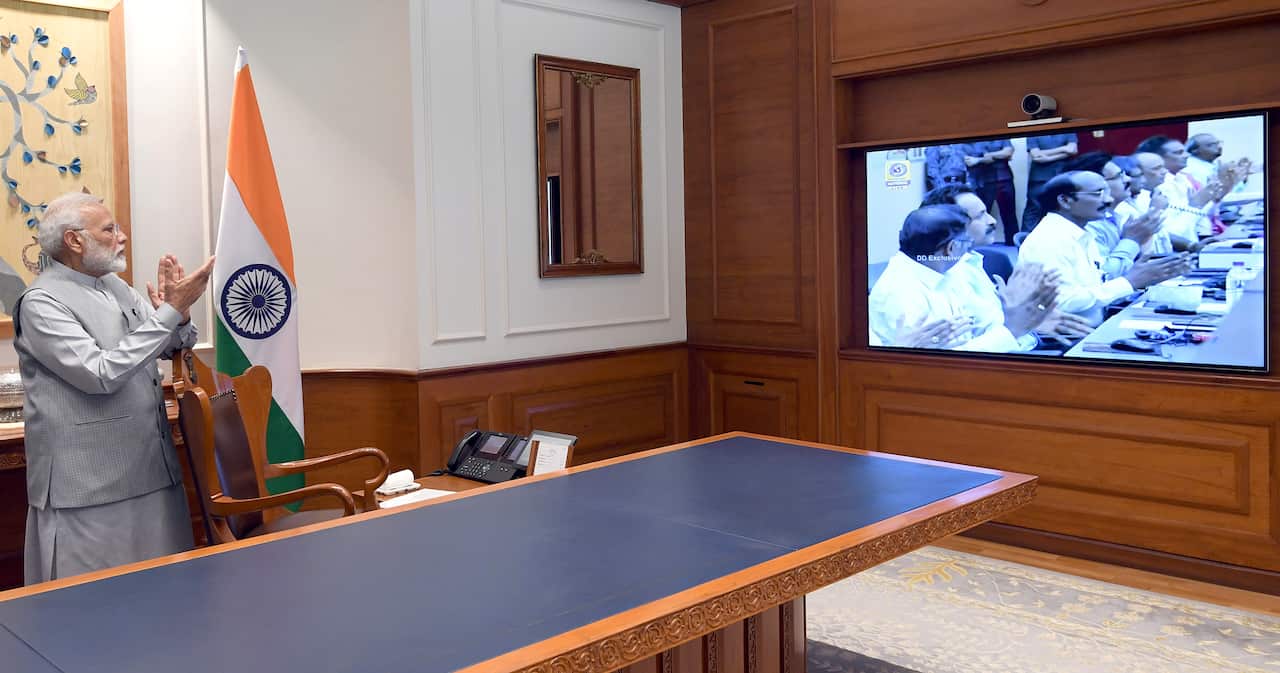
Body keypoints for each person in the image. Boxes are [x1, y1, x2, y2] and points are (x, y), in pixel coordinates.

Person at [13, 192, 215, 584]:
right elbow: (100, 374)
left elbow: (166, 344)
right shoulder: (40, 303)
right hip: (88, 487)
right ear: (74, 241)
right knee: (97, 613)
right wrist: (168, 313)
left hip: (150, 470)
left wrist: (180, 314)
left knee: (166, 598)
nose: (121, 237)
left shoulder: (114, 285)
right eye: (109, 229)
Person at [868, 204, 1057, 352]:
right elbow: (941, 365)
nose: (969, 248)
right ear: (951, 248)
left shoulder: (945, 270)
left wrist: (1015, 318)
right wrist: (1011, 330)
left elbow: (975, 331)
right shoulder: (904, 294)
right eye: (967, 241)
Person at [1017, 171, 1192, 325]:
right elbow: (1064, 302)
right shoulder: (1050, 239)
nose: (1108, 200)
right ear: (1065, 200)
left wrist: (1144, 274)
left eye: (1107, 191)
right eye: (1098, 193)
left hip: (1097, 323)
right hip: (1070, 338)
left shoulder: (1081, 233)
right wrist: (1129, 282)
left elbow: (1097, 284)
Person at [961, 140, 1018, 244]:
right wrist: (994, 157)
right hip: (984, 181)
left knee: (1009, 214)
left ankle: (1013, 244)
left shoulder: (1001, 134)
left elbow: (1008, 152)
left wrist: (987, 156)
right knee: (981, 215)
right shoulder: (974, 139)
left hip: (1004, 178)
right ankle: (980, 243)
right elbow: (969, 160)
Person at [1021, 133, 1078, 232]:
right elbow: (1036, 155)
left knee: (1062, 209)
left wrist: (1047, 158)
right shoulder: (1033, 131)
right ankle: (1024, 241)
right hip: (1038, 178)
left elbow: (1073, 149)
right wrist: (1064, 149)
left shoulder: (1068, 130)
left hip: (1062, 176)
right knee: (1034, 209)